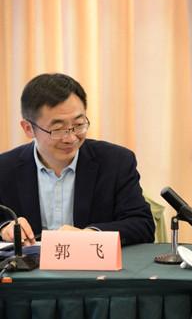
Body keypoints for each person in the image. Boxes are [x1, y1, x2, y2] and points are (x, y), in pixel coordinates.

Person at [0, 73, 154, 246]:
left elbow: (142, 225)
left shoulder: (116, 162)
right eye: (58, 129)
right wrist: (4, 228)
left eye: (79, 125)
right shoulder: (5, 168)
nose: (71, 138)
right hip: (29, 263)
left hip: (92, 262)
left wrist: (89, 235)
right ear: (28, 128)